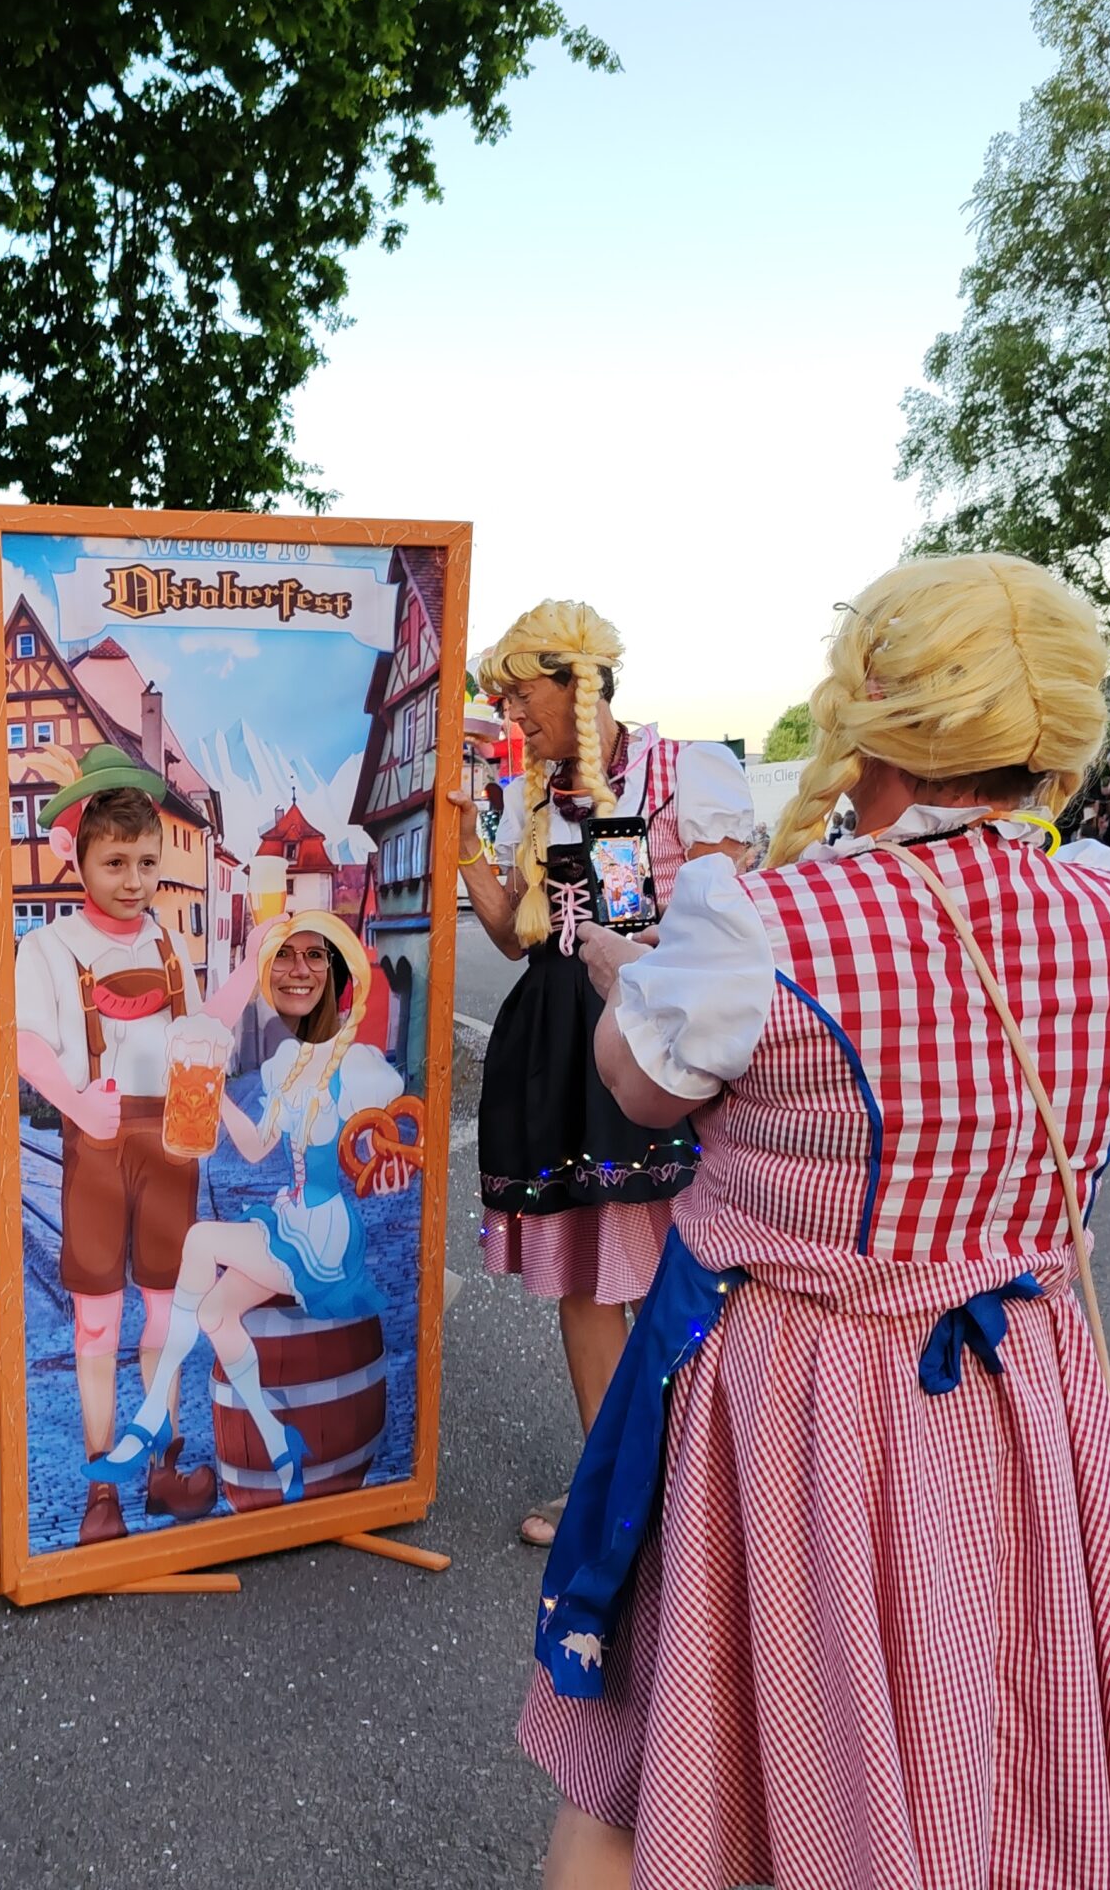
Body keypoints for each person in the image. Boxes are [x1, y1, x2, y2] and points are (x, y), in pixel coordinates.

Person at [518, 553, 1110, 1890]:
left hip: (799, 1395)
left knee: (666, 1754)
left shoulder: (757, 923)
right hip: (1020, 1385)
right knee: (1003, 1729)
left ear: (871, 706)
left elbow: (641, 1090)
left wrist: (627, 971)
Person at [456, 601, 752, 1549]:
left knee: (689, 1272)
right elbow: (512, 938)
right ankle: (611, 1493)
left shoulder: (685, 773)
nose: (512, 715)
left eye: (521, 695)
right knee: (586, 1277)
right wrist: (465, 845)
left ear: (579, 683)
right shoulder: (534, 796)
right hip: (557, 1039)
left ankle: (700, 1494)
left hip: (657, 1038)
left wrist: (653, 955)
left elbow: (734, 924)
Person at [13, 762, 270, 1543]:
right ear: (81, 862)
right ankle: (102, 1486)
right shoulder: (49, 946)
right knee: (96, 1322)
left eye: (147, 863)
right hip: (98, 1145)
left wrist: (253, 963)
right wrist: (74, 1104)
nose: (133, 881)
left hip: (170, 1145)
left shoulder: (166, 943)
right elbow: (26, 1044)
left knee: (167, 1310)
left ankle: (164, 1465)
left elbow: (202, 1034)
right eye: (115, 863)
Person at [87, 912, 411, 1508]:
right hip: (290, 1222)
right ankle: (278, 1438)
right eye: (286, 958)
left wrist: (389, 1167)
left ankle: (151, 1415)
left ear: (340, 975)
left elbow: (382, 1144)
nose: (299, 971)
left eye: (316, 957)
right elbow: (259, 1145)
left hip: (324, 1235)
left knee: (200, 1240)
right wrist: (211, 1092)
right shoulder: (286, 1063)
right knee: (214, 1314)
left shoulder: (360, 1068)